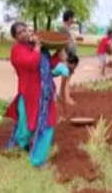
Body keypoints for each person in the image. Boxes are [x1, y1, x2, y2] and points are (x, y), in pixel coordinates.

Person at [5, 22, 57, 167]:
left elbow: (50, 63)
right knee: (27, 126)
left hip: (44, 94)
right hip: (29, 93)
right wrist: (38, 47)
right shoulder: (16, 51)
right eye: (19, 32)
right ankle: (22, 144)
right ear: (15, 37)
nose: (23, 33)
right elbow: (31, 63)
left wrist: (60, 52)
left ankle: (38, 159)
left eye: (24, 30)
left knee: (47, 123)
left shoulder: (33, 46)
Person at [57, 10, 77, 105]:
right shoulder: (63, 29)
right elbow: (62, 43)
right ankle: (66, 97)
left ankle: (65, 95)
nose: (73, 20)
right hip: (67, 56)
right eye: (72, 18)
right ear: (69, 18)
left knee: (68, 77)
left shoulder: (67, 29)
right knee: (66, 76)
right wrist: (65, 58)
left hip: (71, 56)